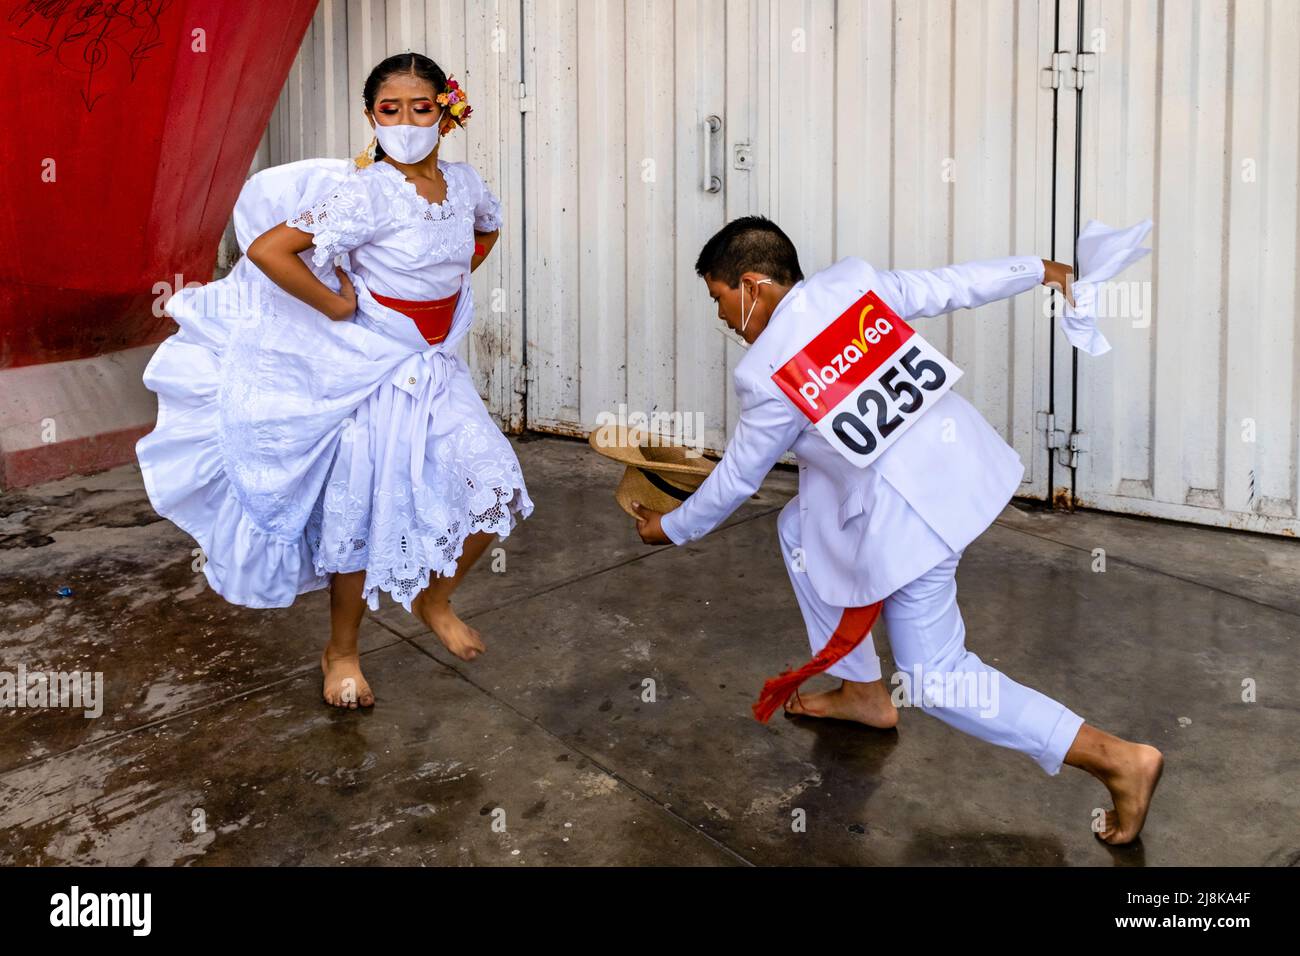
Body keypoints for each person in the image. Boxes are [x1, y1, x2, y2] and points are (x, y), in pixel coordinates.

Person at [630, 216, 1162, 845]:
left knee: (936, 678)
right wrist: (1042, 270)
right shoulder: (853, 286)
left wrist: (668, 527)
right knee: (799, 522)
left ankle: (1117, 759)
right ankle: (861, 691)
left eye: (719, 298)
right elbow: (953, 285)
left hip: (913, 517)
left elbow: (735, 481)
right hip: (958, 472)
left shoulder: (767, 373)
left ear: (752, 284)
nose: (721, 317)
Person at [137, 53, 532, 710]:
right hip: (369, 372)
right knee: (359, 514)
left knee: (494, 481)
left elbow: (483, 232)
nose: (406, 122)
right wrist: (339, 306)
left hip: (433, 369)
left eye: (421, 108)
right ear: (371, 117)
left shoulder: (463, 185)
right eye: (389, 110)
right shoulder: (365, 192)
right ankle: (341, 652)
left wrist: (455, 284)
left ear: (447, 113)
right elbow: (270, 250)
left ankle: (434, 597)